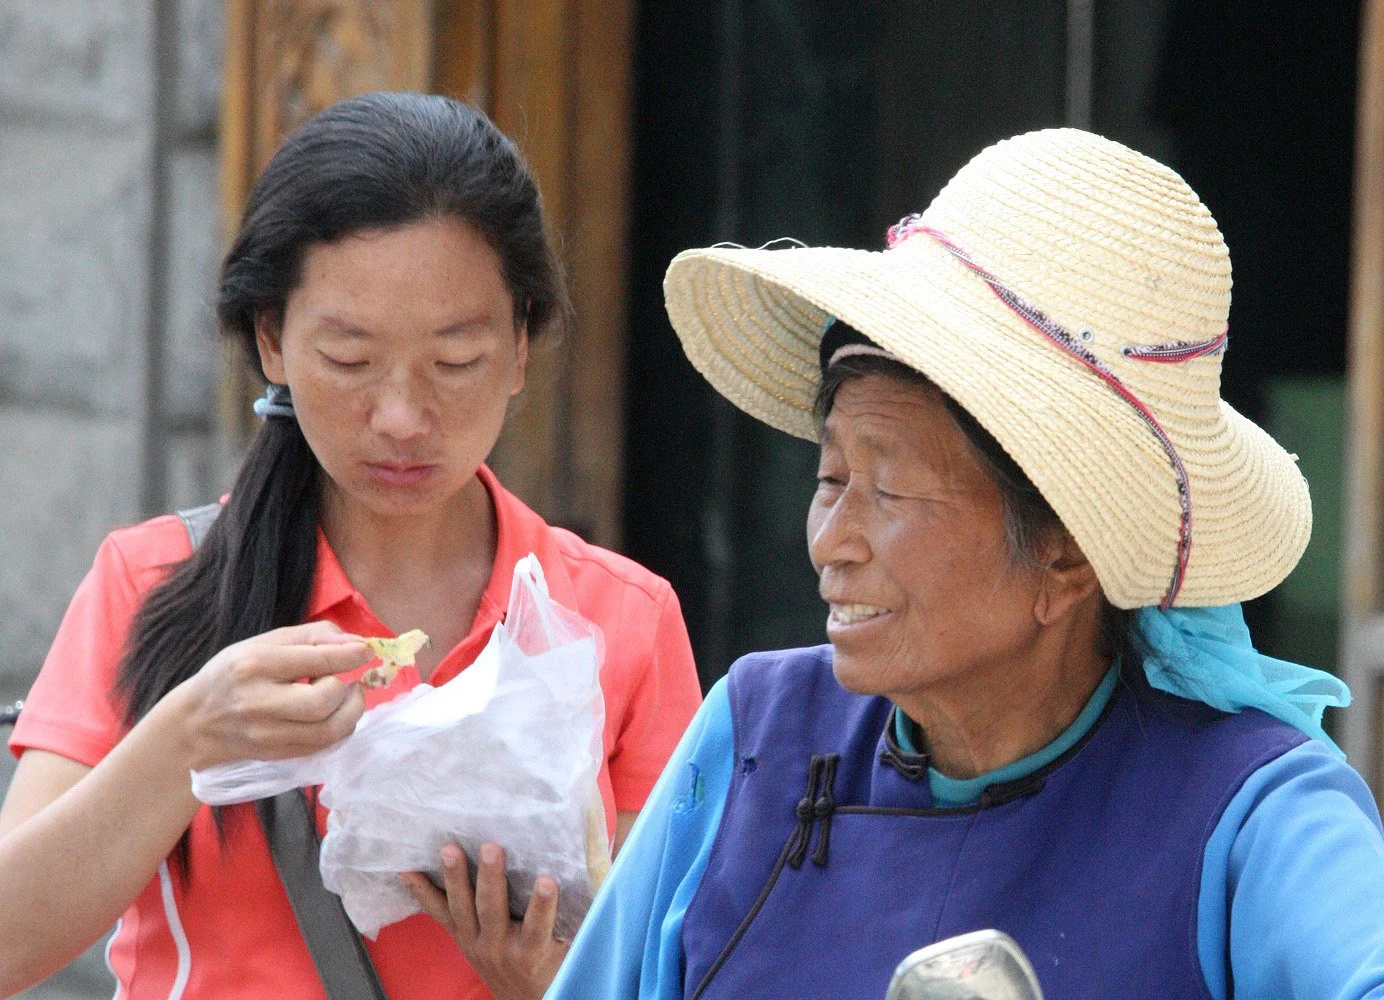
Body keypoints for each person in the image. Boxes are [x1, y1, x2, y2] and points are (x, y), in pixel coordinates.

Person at [546, 128, 1384, 999]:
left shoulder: (1252, 809)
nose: (832, 540)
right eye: (831, 476)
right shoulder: (756, 739)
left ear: (1065, 552)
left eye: (893, 490)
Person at [0, 92, 702, 1000]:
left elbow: (675, 967)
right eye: (349, 359)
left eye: (456, 361)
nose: (403, 417)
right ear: (272, 342)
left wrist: (552, 982)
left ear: (523, 346)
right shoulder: (157, 581)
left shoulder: (621, 620)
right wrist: (187, 737)